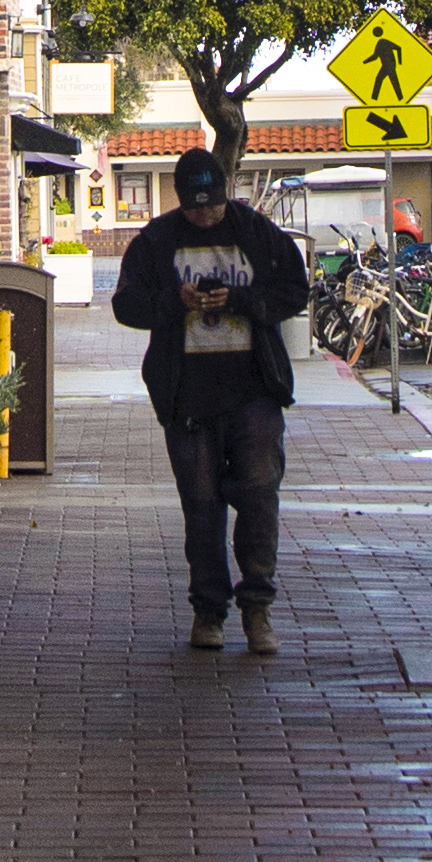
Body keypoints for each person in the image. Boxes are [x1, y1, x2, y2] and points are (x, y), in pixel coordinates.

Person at [112, 149, 311, 658]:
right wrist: (173, 303)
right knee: (201, 506)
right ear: (181, 200)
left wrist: (241, 300)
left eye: (213, 205)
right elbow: (125, 305)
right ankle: (209, 610)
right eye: (195, 207)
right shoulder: (157, 240)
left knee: (259, 494)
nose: (205, 215)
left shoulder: (256, 232)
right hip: (188, 396)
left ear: (226, 194)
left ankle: (258, 607)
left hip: (254, 390)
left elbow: (296, 290)